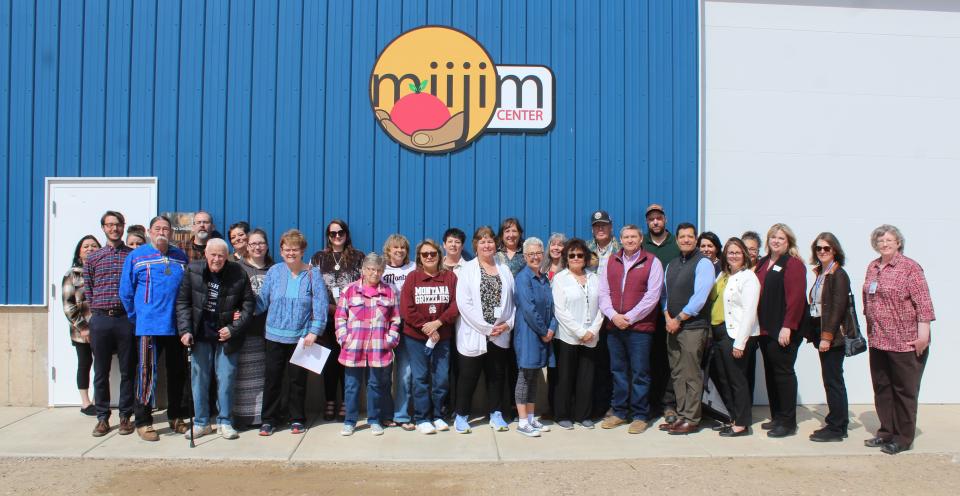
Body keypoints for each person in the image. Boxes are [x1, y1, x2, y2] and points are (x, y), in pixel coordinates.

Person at [862, 225, 935, 455]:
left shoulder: (910, 268)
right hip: (878, 340)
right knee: (882, 388)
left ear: (898, 243)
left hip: (904, 342)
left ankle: (903, 438)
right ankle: (886, 432)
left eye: (889, 240)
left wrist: (923, 335)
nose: (885, 244)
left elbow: (923, 303)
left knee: (905, 392)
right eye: (881, 240)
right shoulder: (873, 267)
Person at [119, 215, 192, 442]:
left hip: (176, 327)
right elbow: (126, 292)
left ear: (171, 233)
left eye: (166, 229)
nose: (162, 232)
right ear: (150, 232)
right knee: (146, 374)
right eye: (157, 228)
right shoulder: (136, 257)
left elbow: (186, 289)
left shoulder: (180, 256)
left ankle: (176, 417)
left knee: (178, 373)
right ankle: (143, 422)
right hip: (149, 326)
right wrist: (137, 316)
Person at [176, 238, 255, 440]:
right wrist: (185, 330)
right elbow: (183, 302)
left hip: (226, 336)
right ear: (206, 254)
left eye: (221, 255)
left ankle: (225, 421)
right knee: (199, 379)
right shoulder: (192, 270)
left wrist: (233, 328)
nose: (217, 259)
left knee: (226, 378)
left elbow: (248, 305)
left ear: (226, 256)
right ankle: (201, 422)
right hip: (200, 334)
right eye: (213, 255)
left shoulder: (238, 272)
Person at [256, 229, 328, 436]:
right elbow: (262, 301)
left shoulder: (313, 274)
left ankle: (297, 418)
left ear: (303, 250)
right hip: (274, 335)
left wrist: (314, 331)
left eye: (294, 249)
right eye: (286, 249)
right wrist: (243, 309)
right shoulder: (274, 272)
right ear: (280, 251)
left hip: (301, 337)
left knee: (297, 381)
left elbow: (320, 305)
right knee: (273, 379)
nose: (290, 253)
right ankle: (269, 419)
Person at [598, 225, 664, 434]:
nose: (629, 240)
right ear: (620, 239)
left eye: (633, 236)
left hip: (640, 329)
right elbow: (603, 293)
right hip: (614, 326)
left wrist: (630, 317)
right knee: (618, 371)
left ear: (640, 238)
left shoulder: (652, 262)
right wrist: (613, 316)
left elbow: (653, 296)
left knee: (639, 373)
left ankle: (640, 415)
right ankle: (619, 412)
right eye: (626, 237)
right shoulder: (611, 261)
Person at [453, 226, 516, 434]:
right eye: (482, 241)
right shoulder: (467, 270)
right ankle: (461, 416)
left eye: (490, 241)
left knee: (496, 375)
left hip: (500, 334)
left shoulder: (504, 269)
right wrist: (487, 328)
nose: (487, 245)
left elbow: (514, 302)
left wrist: (507, 324)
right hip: (476, 332)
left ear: (495, 244)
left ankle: (495, 413)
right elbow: (464, 304)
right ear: (476, 245)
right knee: (468, 376)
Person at [335, 253, 402, 436]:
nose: (375, 273)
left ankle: (374, 420)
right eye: (371, 269)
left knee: (376, 385)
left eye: (379, 270)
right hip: (353, 347)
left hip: (378, 348)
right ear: (363, 270)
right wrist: (343, 338)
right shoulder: (349, 290)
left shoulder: (389, 291)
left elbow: (395, 319)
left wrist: (390, 340)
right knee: (351, 386)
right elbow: (340, 317)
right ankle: (350, 421)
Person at [84, 211, 136, 437]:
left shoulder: (133, 256)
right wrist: (94, 317)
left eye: (118, 225)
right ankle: (102, 418)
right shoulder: (94, 258)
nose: (114, 229)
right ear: (103, 228)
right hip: (101, 319)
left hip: (126, 319)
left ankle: (126, 417)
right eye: (110, 225)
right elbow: (89, 290)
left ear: (124, 227)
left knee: (128, 370)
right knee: (101, 371)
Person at [659, 223, 714, 435]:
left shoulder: (703, 263)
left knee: (691, 374)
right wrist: (667, 316)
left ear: (696, 238)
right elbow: (665, 295)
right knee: (678, 373)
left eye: (690, 236)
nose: (686, 240)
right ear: (677, 239)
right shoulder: (672, 264)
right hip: (672, 327)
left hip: (692, 327)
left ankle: (691, 418)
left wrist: (679, 319)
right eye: (682, 236)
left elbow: (699, 298)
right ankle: (681, 415)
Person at [399, 239, 459, 434]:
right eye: (425, 254)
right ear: (419, 258)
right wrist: (426, 327)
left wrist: (438, 324)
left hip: (442, 337)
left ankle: (438, 415)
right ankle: (422, 417)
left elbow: (456, 305)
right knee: (420, 378)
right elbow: (406, 309)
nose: (429, 257)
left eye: (433, 253)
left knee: (441, 378)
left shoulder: (450, 277)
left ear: (439, 255)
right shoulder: (412, 278)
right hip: (416, 338)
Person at [755, 223, 807, 438]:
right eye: (773, 237)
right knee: (771, 374)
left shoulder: (793, 264)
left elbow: (796, 299)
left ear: (789, 242)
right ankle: (777, 416)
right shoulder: (763, 263)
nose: (776, 241)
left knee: (783, 374)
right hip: (766, 329)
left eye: (781, 238)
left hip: (784, 329)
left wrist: (788, 326)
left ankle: (788, 422)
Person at [310, 219, 365, 422]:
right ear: (328, 236)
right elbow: (313, 286)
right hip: (326, 317)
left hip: (352, 318)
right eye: (332, 233)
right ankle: (330, 400)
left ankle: (346, 402)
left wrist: (350, 310)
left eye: (340, 232)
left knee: (347, 361)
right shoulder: (319, 257)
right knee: (330, 361)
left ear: (346, 234)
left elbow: (363, 285)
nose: (337, 236)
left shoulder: (358, 257)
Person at [707, 237, 760, 437]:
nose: (734, 255)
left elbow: (749, 313)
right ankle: (732, 418)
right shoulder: (722, 275)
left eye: (738, 252)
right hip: (719, 332)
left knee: (738, 379)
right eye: (730, 252)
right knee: (724, 378)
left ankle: (742, 423)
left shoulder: (748, 278)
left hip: (736, 334)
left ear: (744, 255)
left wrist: (740, 343)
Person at [552, 238, 604, 430]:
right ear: (566, 257)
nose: (576, 258)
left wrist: (592, 331)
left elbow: (602, 307)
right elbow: (560, 310)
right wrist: (580, 332)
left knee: (587, 378)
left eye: (579, 255)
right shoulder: (560, 279)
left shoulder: (594, 278)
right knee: (564, 378)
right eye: (571, 255)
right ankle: (563, 414)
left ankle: (584, 414)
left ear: (585, 258)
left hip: (591, 337)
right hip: (568, 337)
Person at [807, 232, 853, 443]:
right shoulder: (821, 273)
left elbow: (837, 309)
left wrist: (826, 337)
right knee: (829, 379)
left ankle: (837, 427)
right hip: (821, 332)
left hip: (833, 337)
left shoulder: (838, 275)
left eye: (827, 248)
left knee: (834, 380)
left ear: (835, 250)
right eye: (819, 248)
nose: (822, 252)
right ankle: (834, 420)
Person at [512, 238, 557, 437]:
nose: (535, 257)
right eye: (530, 254)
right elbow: (529, 309)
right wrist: (543, 331)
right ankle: (522, 422)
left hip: (543, 334)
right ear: (525, 256)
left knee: (533, 378)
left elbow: (552, 306)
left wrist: (552, 328)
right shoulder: (522, 278)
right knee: (524, 377)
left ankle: (531, 418)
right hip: (530, 334)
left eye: (538, 253)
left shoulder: (544, 278)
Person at [641, 204, 681, 424]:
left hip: (670, 313)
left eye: (659, 218)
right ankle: (649, 404)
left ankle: (668, 403)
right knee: (646, 360)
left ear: (665, 220)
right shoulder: (641, 244)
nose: (655, 222)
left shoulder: (675, 244)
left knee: (668, 360)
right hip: (646, 314)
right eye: (651, 219)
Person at [234, 228, 273, 429]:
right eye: (253, 243)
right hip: (245, 331)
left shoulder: (275, 268)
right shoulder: (237, 268)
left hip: (270, 331)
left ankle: (263, 416)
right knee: (245, 377)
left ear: (267, 245)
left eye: (261, 243)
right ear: (247, 246)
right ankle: (243, 417)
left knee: (266, 376)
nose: (257, 247)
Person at [62, 235, 102, 416]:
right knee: (85, 363)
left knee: (102, 365)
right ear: (79, 251)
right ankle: (85, 402)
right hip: (82, 330)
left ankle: (98, 400)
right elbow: (68, 304)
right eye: (86, 246)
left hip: (101, 327)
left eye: (94, 246)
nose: (90, 249)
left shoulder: (101, 269)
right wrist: (83, 327)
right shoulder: (72, 274)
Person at [382, 234, 416, 430]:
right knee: (384, 373)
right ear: (388, 250)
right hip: (384, 325)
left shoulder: (413, 267)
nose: (399, 251)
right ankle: (386, 414)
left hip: (407, 325)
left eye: (402, 248)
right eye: (395, 247)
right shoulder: (381, 268)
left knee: (405, 372)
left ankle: (402, 415)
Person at [586, 210, 621, 274]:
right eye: (596, 226)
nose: (600, 229)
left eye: (604, 225)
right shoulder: (584, 248)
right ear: (592, 229)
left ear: (611, 227)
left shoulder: (622, 249)